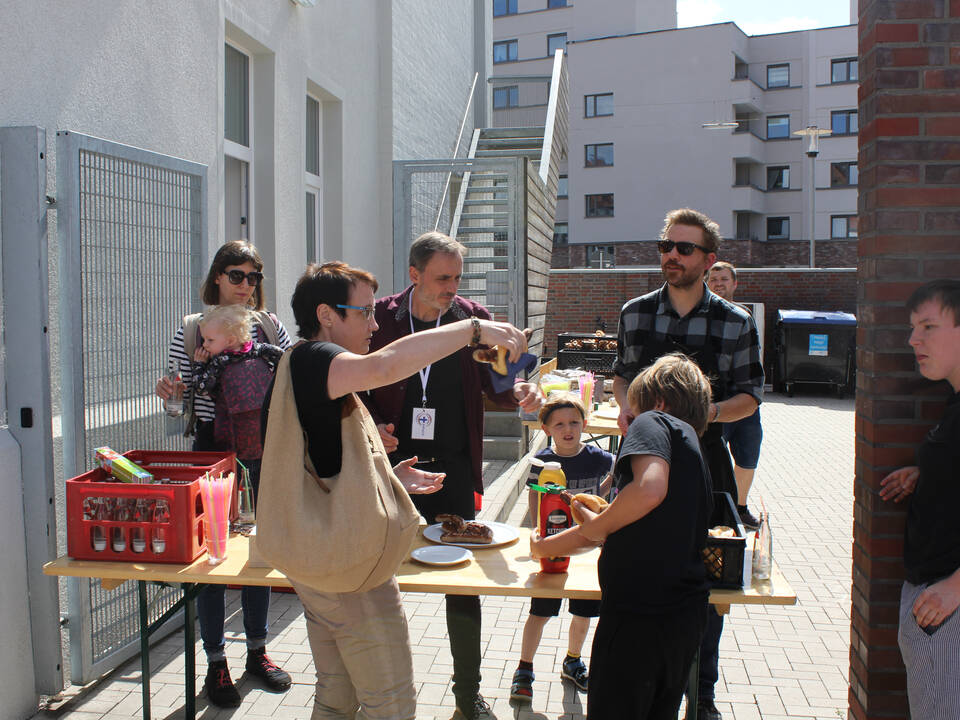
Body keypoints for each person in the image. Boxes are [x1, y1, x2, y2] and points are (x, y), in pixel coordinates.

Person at [267, 260, 531, 719]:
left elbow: (323, 462)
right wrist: (472, 329)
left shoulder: (309, 368)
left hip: (322, 565)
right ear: (326, 314)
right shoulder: (314, 359)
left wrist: (389, 478)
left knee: (336, 696)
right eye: (364, 313)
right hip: (348, 569)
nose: (374, 324)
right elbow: (386, 366)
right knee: (391, 705)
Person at [362, 231, 543, 720]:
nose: (452, 287)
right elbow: (351, 381)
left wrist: (522, 391)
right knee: (374, 577)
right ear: (414, 275)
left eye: (457, 277)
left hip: (454, 468)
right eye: (443, 278)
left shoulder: (473, 320)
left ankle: (467, 695)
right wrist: (372, 423)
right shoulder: (377, 319)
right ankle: (373, 693)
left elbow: (501, 384)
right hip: (387, 466)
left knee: (463, 583)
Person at [612, 209, 763, 720]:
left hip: (706, 465)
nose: (671, 255)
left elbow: (751, 396)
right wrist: (629, 410)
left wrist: (699, 416)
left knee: (705, 579)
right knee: (630, 564)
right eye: (665, 246)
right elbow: (621, 376)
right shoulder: (635, 312)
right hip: (639, 460)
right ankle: (634, 687)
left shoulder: (735, 321)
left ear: (709, 259)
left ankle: (702, 693)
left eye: (683, 248)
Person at [530, 353, 714, 720]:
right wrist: (548, 545)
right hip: (680, 616)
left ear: (657, 401)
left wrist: (595, 527)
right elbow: (633, 520)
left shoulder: (653, 420)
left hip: (638, 619)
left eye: (631, 406)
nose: (627, 417)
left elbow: (647, 491)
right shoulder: (689, 442)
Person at [154, 241, 292, 707]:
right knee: (211, 558)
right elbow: (180, 404)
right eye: (238, 275)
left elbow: (294, 383)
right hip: (212, 454)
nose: (247, 286)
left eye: (254, 277)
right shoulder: (193, 330)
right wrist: (172, 393)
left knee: (259, 552)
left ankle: (258, 651)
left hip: (263, 452)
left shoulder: (272, 327)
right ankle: (216, 662)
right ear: (217, 277)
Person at [879, 279, 960, 720]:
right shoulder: (954, 403)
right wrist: (928, 474)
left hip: (948, 609)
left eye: (928, 326)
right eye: (913, 327)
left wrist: (955, 588)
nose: (913, 339)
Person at [510, 394, 614, 704]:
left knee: (584, 612)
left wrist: (597, 497)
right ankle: (525, 669)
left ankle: (573, 660)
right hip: (553, 545)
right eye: (559, 424)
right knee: (540, 610)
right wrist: (534, 527)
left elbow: (610, 481)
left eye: (574, 422)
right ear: (546, 428)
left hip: (587, 548)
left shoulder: (599, 457)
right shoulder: (542, 461)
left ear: (584, 424)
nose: (568, 429)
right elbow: (534, 495)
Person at [706, 261, 763, 530]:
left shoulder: (743, 316)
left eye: (724, 278)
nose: (718, 283)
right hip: (717, 402)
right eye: (713, 278)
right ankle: (717, 508)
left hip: (746, 402)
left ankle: (740, 508)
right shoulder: (702, 315)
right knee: (715, 458)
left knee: (748, 455)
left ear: (734, 283)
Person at [192, 304, 283, 472]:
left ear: (230, 341)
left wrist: (199, 365)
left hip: (230, 436)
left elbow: (201, 388)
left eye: (210, 340)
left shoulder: (221, 361)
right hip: (263, 431)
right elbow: (282, 356)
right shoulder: (258, 350)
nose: (204, 345)